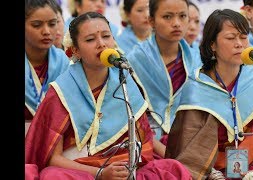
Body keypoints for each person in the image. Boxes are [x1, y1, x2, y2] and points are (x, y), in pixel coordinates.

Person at [25, 11, 192, 180]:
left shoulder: (124, 80)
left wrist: (176, 160)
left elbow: (145, 137)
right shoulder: (61, 90)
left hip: (125, 167)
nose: (101, 44)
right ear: (75, 50)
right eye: (90, 40)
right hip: (82, 170)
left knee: (173, 168)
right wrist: (101, 173)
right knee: (53, 176)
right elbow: (54, 159)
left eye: (106, 36)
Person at [165, 9, 253, 180]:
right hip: (209, 172)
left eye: (243, 37)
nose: (239, 44)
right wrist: (211, 174)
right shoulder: (197, 87)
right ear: (212, 44)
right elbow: (190, 152)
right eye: (231, 38)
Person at [126, 0, 202, 147]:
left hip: (188, 137)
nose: (176, 23)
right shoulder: (135, 60)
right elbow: (129, 115)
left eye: (182, 16)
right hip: (146, 140)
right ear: (152, 21)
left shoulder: (197, 61)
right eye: (168, 17)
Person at [25, 0, 70, 127]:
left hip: (54, 139)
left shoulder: (64, 62)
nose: (46, 31)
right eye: (37, 25)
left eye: (52, 24)